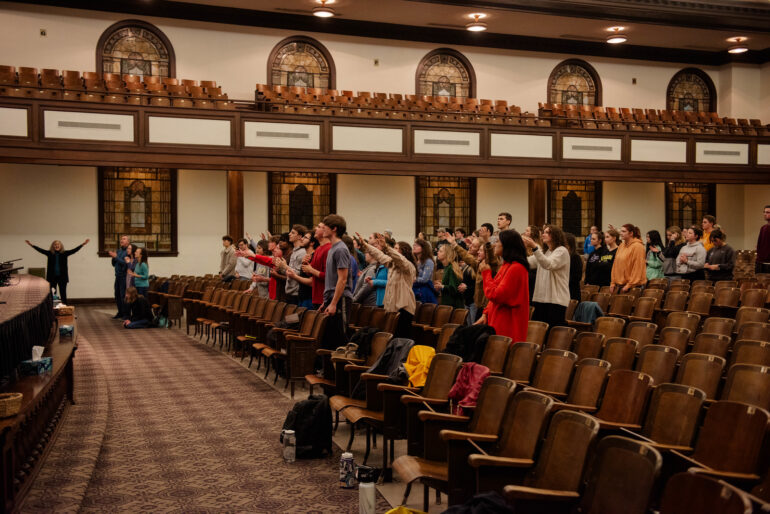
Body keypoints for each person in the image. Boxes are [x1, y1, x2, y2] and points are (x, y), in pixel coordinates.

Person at [356, 232, 417, 339]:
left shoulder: (408, 266)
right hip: (393, 308)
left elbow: (400, 259)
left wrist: (387, 247)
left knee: (402, 339)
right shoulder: (392, 264)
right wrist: (366, 245)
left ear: (403, 252)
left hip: (404, 308)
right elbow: (379, 255)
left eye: (396, 248)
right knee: (391, 337)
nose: (394, 250)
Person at [476, 229, 530, 342]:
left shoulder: (516, 268)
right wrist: (486, 313)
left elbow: (497, 295)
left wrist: (486, 274)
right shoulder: (506, 265)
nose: (495, 244)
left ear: (507, 245)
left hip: (507, 324)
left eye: (498, 241)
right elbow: (494, 291)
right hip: (497, 319)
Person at [522, 225, 570, 328]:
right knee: (537, 329)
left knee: (550, 332)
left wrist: (535, 247)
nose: (543, 234)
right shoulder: (547, 252)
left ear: (555, 235)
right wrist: (519, 249)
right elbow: (528, 263)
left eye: (547, 232)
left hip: (555, 300)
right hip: (542, 299)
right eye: (543, 232)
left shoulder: (562, 251)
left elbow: (548, 264)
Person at [446, 232, 500, 323]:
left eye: (481, 250)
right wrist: (454, 244)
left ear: (487, 253)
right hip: (479, 306)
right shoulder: (479, 265)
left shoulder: (492, 266)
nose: (478, 252)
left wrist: (487, 242)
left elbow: (492, 257)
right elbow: (466, 256)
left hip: (487, 307)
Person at [320, 214, 354, 349]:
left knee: (341, 339)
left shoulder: (340, 249)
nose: (322, 229)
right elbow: (332, 279)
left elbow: (342, 279)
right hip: (332, 298)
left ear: (334, 229)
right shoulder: (332, 248)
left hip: (341, 299)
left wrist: (333, 303)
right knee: (329, 339)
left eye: (325, 227)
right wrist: (326, 301)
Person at [26, 237, 89, 305]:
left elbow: (74, 250)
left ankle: (64, 306)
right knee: (53, 294)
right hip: (52, 277)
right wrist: (31, 245)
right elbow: (40, 250)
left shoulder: (65, 253)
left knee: (63, 293)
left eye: (58, 244)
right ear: (53, 246)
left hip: (62, 277)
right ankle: (54, 307)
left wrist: (83, 244)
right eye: (55, 244)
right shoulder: (49, 253)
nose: (57, 245)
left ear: (61, 246)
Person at [610, 224, 647, 293]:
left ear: (631, 233)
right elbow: (615, 265)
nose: (621, 233)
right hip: (620, 285)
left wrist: (629, 285)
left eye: (624, 231)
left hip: (633, 286)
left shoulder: (638, 246)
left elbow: (638, 267)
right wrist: (613, 282)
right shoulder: (621, 246)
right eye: (621, 231)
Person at [302, 224, 331, 309]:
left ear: (325, 230)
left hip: (324, 298)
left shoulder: (329, 249)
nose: (315, 228)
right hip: (315, 297)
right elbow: (310, 274)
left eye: (318, 227)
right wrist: (305, 264)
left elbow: (328, 276)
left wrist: (310, 270)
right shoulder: (318, 249)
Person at [433, 243, 465, 309]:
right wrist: (441, 284)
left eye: (440, 251)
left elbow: (454, 288)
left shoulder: (451, 268)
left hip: (453, 306)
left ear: (447, 254)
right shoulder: (447, 267)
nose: (437, 252)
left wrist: (442, 286)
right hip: (448, 304)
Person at [284, 225, 308, 304]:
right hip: (289, 290)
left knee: (294, 312)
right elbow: (290, 271)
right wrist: (281, 267)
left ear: (299, 236)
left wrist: (284, 266)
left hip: (296, 292)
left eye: (293, 233)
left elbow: (299, 273)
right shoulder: (294, 251)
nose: (289, 234)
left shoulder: (302, 252)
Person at [108, 235, 130, 319]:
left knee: (123, 295)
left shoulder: (128, 251)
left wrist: (116, 257)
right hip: (117, 276)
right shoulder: (119, 251)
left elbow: (125, 264)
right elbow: (114, 264)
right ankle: (120, 312)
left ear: (128, 242)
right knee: (117, 295)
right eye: (121, 239)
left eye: (124, 239)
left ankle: (125, 314)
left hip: (124, 276)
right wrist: (113, 258)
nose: (121, 240)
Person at [412, 239, 437, 304]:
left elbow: (425, 279)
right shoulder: (416, 261)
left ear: (423, 248)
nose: (414, 247)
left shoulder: (428, 261)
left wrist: (414, 279)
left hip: (424, 291)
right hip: (415, 288)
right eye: (414, 245)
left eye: (417, 245)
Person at [522, 225, 541, 299]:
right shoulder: (524, 245)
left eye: (527, 231)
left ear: (532, 233)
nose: (525, 232)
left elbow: (533, 263)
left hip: (532, 274)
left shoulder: (537, 246)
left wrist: (521, 260)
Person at [564, 233, 583, 302]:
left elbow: (577, 277)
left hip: (572, 291)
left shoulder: (575, 257)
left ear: (568, 244)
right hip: (564, 290)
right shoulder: (563, 256)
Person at [757, 205, 770, 274]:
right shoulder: (763, 228)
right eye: (764, 212)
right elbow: (759, 245)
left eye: (767, 212)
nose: (765, 214)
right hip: (762, 263)